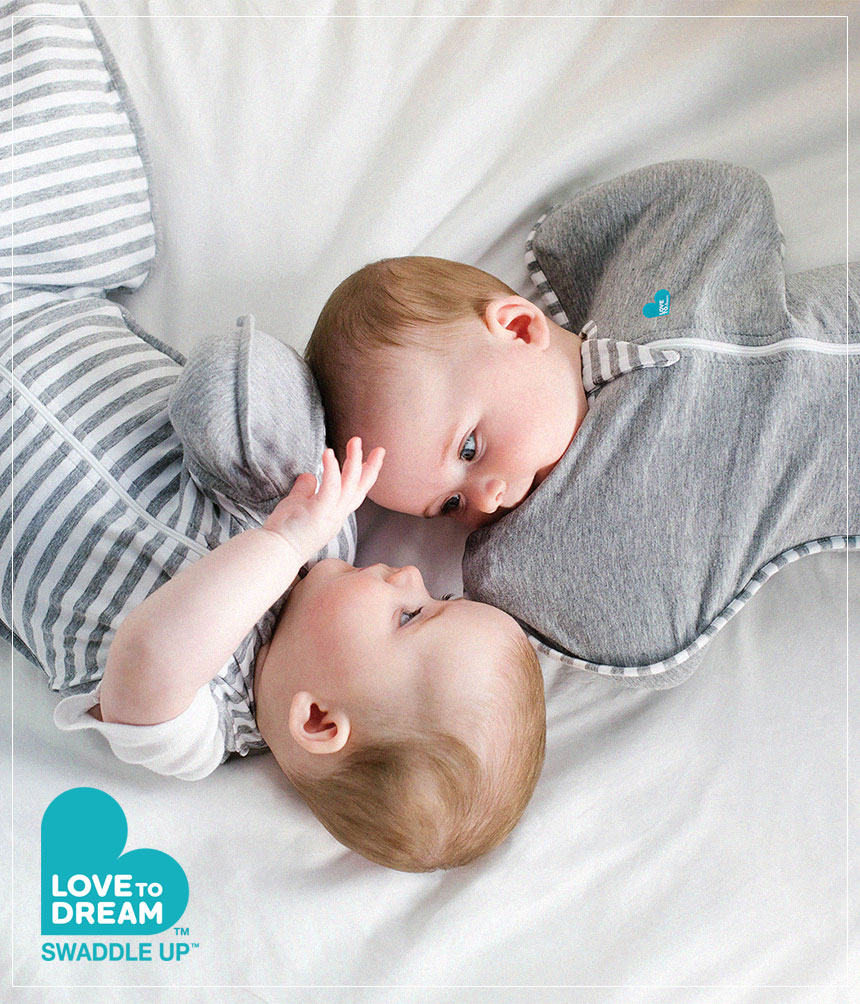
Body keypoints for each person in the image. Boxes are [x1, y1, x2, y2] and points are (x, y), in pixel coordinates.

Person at [1, 0, 545, 874]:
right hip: (47, 295)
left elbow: (145, 653)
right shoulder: (331, 517)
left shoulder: (200, 726)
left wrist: (283, 542)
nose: (411, 574)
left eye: (413, 614)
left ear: (318, 720)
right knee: (83, 190)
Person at [305, 160, 859, 687]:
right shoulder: (592, 522)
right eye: (450, 505)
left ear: (519, 328)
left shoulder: (649, 296)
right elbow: (652, 633)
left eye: (469, 449)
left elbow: (727, 198)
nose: (489, 498)